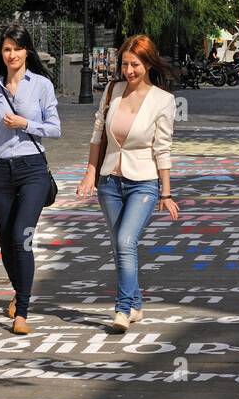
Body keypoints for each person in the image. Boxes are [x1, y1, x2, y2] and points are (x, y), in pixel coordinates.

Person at [76, 34, 180, 334]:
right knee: (120, 244)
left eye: (135, 65)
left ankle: (122, 309)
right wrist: (90, 174)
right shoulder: (112, 91)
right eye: (124, 64)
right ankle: (135, 302)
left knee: (125, 241)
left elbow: (163, 148)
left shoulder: (163, 100)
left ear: (148, 64)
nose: (129, 71)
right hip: (109, 181)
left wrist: (166, 191)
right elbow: (97, 136)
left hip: (143, 183)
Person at [0, 21, 61, 335]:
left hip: (32, 171)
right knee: (7, 245)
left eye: (18, 48)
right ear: (2, 52)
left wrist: (25, 123)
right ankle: (19, 291)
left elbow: (55, 127)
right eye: (7, 48)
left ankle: (21, 312)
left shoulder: (40, 85)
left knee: (22, 237)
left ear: (27, 51)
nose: (12, 54)